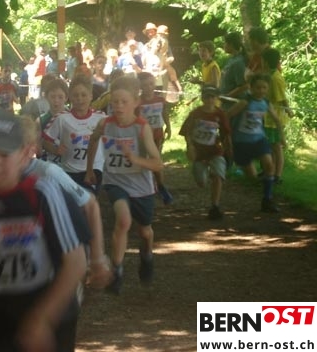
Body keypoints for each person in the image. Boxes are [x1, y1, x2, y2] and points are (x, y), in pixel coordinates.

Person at [0, 109, 89, 352]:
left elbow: (76, 262)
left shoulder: (43, 194)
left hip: (48, 309)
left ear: (23, 154)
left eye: (4, 154)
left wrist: (42, 318)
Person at [84, 75, 164, 294]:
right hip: (115, 181)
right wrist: (89, 169)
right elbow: (93, 140)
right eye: (114, 102)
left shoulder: (142, 128)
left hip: (141, 186)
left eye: (124, 102)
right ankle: (117, 271)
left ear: (136, 102)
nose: (118, 106)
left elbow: (158, 164)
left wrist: (135, 159)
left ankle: (147, 255)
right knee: (123, 220)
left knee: (145, 232)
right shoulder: (105, 124)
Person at [20, 115, 112, 288]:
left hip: (57, 255)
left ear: (31, 148)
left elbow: (90, 204)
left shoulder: (48, 173)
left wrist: (97, 258)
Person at [227, 74, 284, 213]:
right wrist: (226, 137)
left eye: (264, 88)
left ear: (267, 89)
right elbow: (227, 116)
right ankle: (264, 189)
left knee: (269, 165)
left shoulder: (266, 103)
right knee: (252, 178)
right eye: (258, 87)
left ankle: (267, 200)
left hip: (259, 139)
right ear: (251, 88)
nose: (261, 91)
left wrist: (282, 137)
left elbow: (277, 120)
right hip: (241, 142)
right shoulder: (244, 102)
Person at [42, 75, 107, 192]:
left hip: (94, 169)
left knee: (87, 197)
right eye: (75, 95)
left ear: (91, 96)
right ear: (70, 97)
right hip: (69, 170)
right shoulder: (61, 118)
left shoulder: (101, 118)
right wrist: (55, 150)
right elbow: (45, 141)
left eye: (83, 95)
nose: (79, 99)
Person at [179, 85, 233, 220]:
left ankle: (215, 206)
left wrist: (229, 150)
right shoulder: (196, 113)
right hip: (199, 152)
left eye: (212, 97)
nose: (210, 100)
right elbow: (187, 131)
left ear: (217, 99)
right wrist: (190, 146)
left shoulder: (220, 114)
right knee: (201, 182)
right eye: (207, 97)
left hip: (215, 150)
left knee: (218, 176)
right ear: (202, 98)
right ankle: (206, 174)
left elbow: (226, 133)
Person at [137, 72, 173, 205]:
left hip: (157, 134)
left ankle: (161, 185)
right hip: (143, 136)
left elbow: (164, 113)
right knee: (144, 160)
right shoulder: (137, 102)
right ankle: (147, 185)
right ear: (140, 86)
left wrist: (168, 127)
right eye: (145, 85)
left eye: (151, 84)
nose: (148, 87)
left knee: (156, 158)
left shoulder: (160, 100)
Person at [261, 48, 293, 184]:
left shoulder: (275, 78)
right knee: (271, 147)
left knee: (277, 147)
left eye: (262, 60)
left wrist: (288, 110)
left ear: (266, 62)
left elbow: (282, 98)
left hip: (275, 119)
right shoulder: (269, 75)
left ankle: (277, 175)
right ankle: (270, 171)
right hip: (268, 117)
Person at [219, 32, 248, 107]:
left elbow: (243, 86)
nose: (223, 45)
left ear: (231, 44)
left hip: (234, 105)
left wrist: (227, 96)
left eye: (225, 43)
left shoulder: (238, 62)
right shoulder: (231, 59)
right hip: (226, 104)